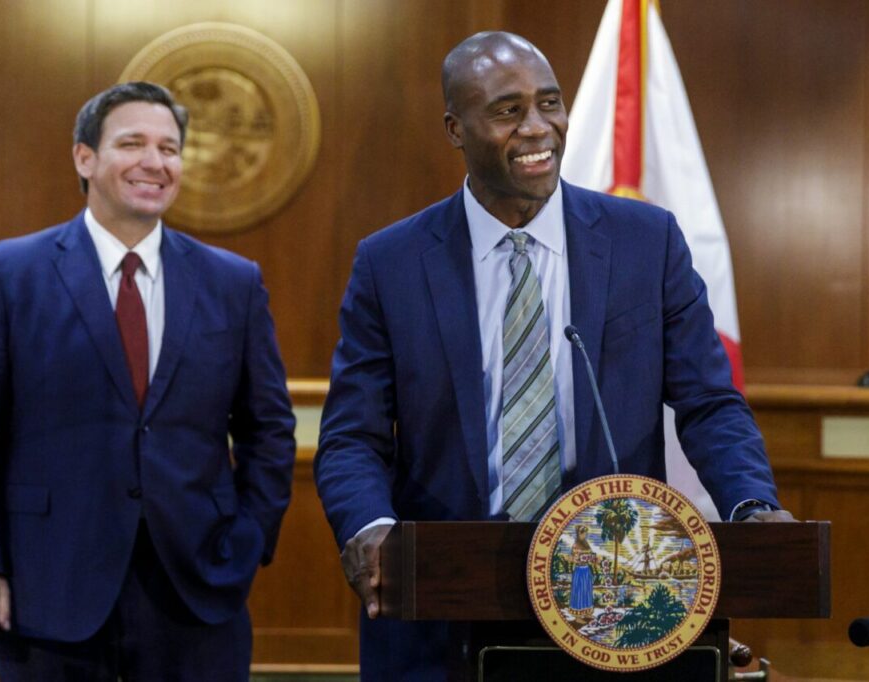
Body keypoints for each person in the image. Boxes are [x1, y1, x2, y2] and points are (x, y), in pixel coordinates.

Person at [314, 31, 792, 680]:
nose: (538, 128)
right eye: (508, 111)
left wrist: (751, 505)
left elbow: (708, 404)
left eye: (550, 103)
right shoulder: (391, 263)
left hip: (618, 591)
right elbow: (352, 435)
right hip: (446, 598)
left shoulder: (645, 242)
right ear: (456, 128)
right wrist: (368, 523)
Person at [0, 81, 296, 681]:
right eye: (132, 143)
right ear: (85, 158)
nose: (155, 162)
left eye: (170, 148)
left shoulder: (233, 282)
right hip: (45, 586)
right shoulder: (6, 275)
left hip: (197, 587)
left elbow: (269, 430)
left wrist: (246, 539)